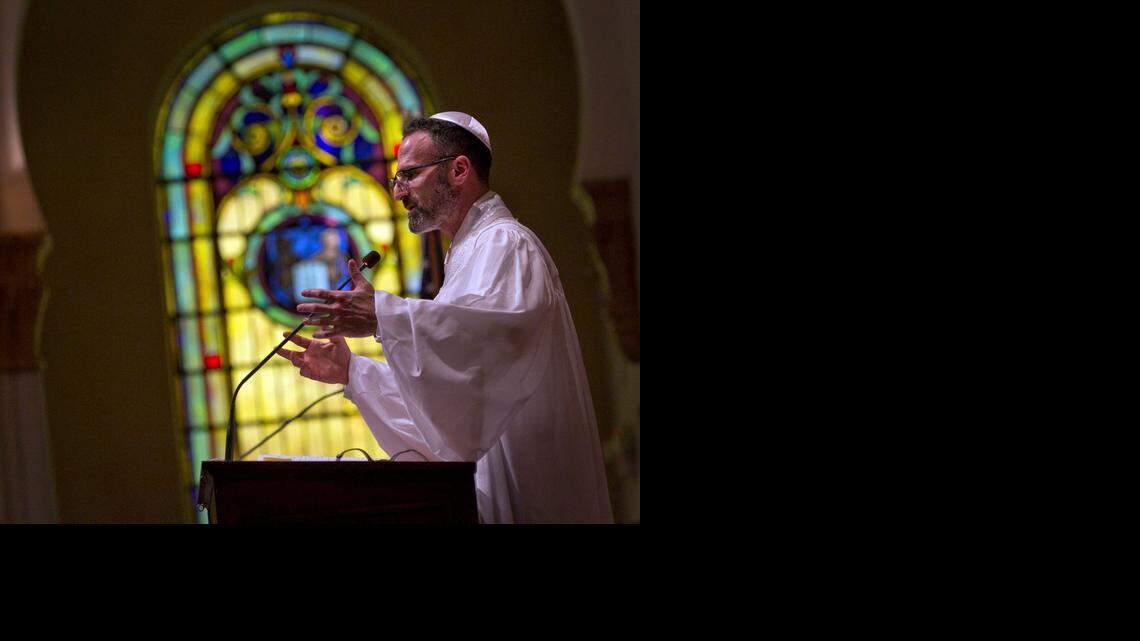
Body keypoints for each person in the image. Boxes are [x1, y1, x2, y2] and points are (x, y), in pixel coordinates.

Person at [275, 112, 613, 523]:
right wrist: (353, 372)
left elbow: (482, 356)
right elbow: (449, 406)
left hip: (534, 491)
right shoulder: (470, 254)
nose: (398, 192)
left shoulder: (507, 244)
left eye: (409, 175)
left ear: (458, 170)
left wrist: (383, 316)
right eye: (397, 178)